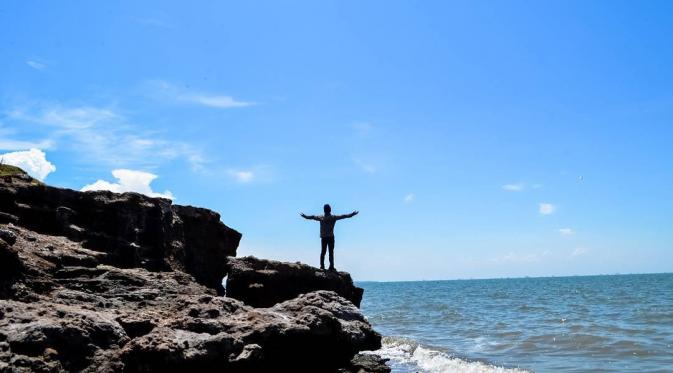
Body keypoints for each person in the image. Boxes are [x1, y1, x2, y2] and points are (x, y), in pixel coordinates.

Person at [300, 204, 358, 271]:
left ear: (324, 210)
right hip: (330, 237)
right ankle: (331, 267)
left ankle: (322, 266)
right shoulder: (333, 217)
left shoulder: (321, 217)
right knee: (330, 252)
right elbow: (344, 216)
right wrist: (352, 214)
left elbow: (312, 217)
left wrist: (305, 217)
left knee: (323, 252)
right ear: (330, 209)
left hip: (324, 237)